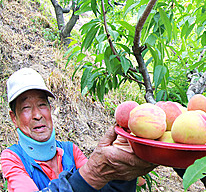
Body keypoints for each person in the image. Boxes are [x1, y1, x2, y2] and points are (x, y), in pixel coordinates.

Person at [1, 68, 156, 192]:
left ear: (49, 109)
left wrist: (122, 175)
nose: (37, 115)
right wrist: (91, 173)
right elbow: (90, 178)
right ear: (14, 117)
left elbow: (99, 188)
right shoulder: (12, 158)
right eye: (26, 108)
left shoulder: (70, 150)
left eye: (42, 105)